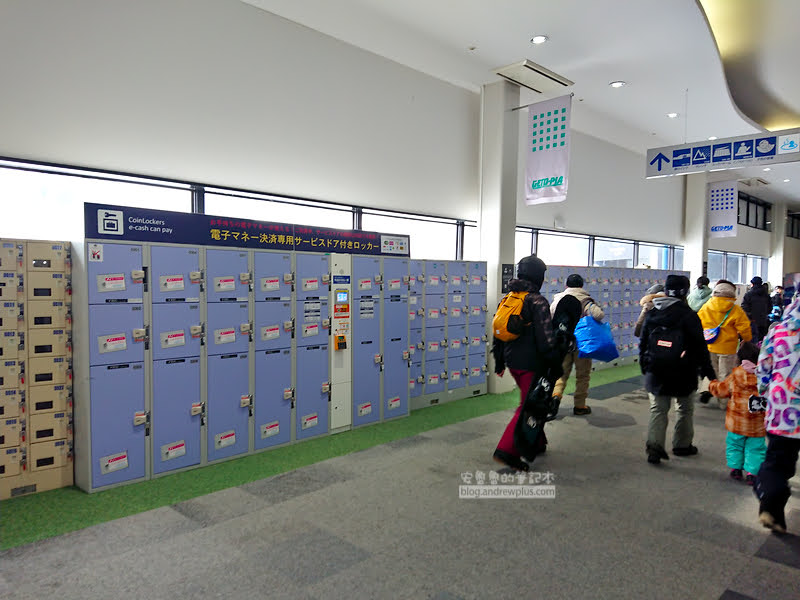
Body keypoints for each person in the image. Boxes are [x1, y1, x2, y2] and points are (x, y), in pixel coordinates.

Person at [492, 255, 562, 471]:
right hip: (531, 363)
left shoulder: (509, 298)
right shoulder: (537, 301)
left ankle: (537, 442)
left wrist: (499, 361)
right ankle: (506, 450)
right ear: (538, 276)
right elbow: (545, 338)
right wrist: (555, 360)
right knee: (527, 407)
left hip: (512, 360)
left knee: (532, 401)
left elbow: (497, 333)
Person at [640, 275, 716, 464]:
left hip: (656, 369)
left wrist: (645, 366)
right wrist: (708, 372)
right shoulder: (689, 315)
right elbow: (700, 347)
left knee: (658, 409)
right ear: (686, 292)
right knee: (684, 409)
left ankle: (654, 447)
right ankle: (682, 445)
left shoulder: (652, 313)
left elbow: (643, 343)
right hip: (684, 370)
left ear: (666, 291)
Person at [753, 297, 800, 534]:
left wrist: (765, 393)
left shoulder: (778, 330)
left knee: (777, 464)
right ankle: (775, 513)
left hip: (784, 410)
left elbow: (764, 369)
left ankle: (772, 507)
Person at [708, 341, 766, 484]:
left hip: (737, 423)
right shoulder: (764, 376)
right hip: (757, 424)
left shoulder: (736, 375)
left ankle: (736, 469)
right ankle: (752, 473)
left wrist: (712, 384)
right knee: (756, 448)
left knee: (735, 445)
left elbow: (722, 390)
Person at [550, 273, 605, 415]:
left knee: (561, 373)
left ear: (566, 285)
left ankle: (555, 396)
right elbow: (599, 315)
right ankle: (580, 406)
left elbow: (551, 316)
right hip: (582, 343)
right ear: (581, 286)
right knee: (583, 375)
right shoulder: (585, 301)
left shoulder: (558, 299)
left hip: (563, 342)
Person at [697, 280, 752, 408]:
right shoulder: (735, 309)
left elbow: (697, 323)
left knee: (710, 371)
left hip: (709, 345)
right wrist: (747, 339)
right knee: (725, 375)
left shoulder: (706, 306)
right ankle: (723, 402)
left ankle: (706, 391)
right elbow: (744, 328)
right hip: (727, 348)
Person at [742, 276, 772, 344]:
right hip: (763, 321)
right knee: (761, 341)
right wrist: (764, 314)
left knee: (752, 342)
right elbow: (770, 307)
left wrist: (750, 317)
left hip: (752, 321)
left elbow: (744, 308)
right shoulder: (766, 295)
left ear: (752, 284)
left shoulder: (748, 295)